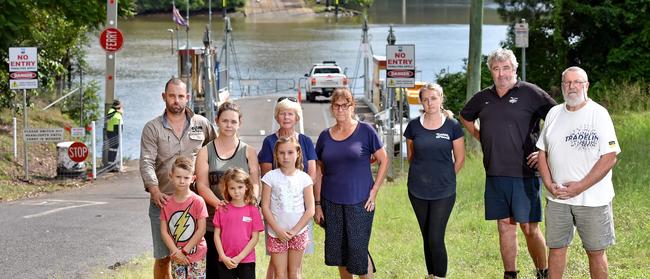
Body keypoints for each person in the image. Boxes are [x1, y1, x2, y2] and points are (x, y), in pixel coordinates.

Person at [459, 48, 556, 279]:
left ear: (514, 69)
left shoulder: (531, 93)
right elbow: (465, 116)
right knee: (504, 225)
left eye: (505, 68)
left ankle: (543, 272)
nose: (501, 73)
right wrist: (482, 136)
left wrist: (546, 150)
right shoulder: (483, 97)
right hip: (495, 172)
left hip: (525, 172)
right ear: (491, 71)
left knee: (529, 228)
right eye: (496, 69)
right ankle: (510, 274)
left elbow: (557, 118)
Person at [536, 67, 620, 279]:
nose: (572, 87)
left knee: (595, 251)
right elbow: (542, 152)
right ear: (562, 86)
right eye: (567, 82)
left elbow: (610, 157)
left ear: (586, 86)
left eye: (577, 82)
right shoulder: (554, 113)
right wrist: (548, 183)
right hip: (558, 198)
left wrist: (579, 187)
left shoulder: (598, 114)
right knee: (556, 249)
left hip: (592, 200)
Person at [140, 78, 217, 279]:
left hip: (194, 204)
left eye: (181, 96)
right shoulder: (152, 128)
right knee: (164, 257)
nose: (176, 100)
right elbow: (147, 161)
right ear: (164, 97)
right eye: (172, 96)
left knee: (198, 253)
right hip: (163, 202)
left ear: (187, 98)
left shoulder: (201, 124)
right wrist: (154, 190)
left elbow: (214, 153)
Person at [313, 88, 389, 278]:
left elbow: (384, 160)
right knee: (340, 253)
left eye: (344, 105)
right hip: (331, 202)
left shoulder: (366, 131)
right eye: (336, 106)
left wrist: (374, 191)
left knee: (358, 249)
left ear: (352, 107)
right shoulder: (324, 136)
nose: (340, 110)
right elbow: (319, 171)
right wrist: (318, 205)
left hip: (360, 201)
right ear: (332, 108)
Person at [403, 83, 465, 279]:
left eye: (434, 98)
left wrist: (445, 177)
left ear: (441, 99)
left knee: (435, 237)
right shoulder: (413, 126)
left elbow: (460, 158)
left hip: (444, 191)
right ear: (421, 102)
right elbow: (411, 156)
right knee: (426, 237)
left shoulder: (452, 126)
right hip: (417, 189)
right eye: (426, 99)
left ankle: (439, 276)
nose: (430, 102)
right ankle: (431, 274)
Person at [195, 100, 261, 278]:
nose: (229, 125)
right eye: (225, 121)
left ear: (240, 123)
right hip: (213, 223)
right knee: (216, 273)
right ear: (217, 120)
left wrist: (251, 202)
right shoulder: (205, 152)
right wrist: (220, 205)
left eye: (233, 121)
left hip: (241, 227)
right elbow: (202, 185)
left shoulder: (248, 152)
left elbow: (255, 182)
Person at [258, 96, 317, 279]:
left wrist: (300, 189)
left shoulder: (305, 141)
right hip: (277, 208)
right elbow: (266, 175)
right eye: (282, 113)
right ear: (277, 116)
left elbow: (312, 174)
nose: (286, 117)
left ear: (297, 117)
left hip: (298, 207)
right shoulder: (269, 142)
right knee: (277, 265)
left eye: (290, 113)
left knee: (295, 268)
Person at [160, 157, 209, 279]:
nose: (182, 181)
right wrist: (176, 252)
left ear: (193, 179)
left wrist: (185, 251)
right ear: (171, 176)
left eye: (186, 178)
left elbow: (201, 230)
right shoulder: (167, 203)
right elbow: (164, 231)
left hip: (197, 253)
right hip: (176, 255)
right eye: (178, 177)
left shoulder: (198, 201)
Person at [213, 168, 264, 279]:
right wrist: (222, 256)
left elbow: (255, 238)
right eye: (232, 188)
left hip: (246, 260)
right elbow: (216, 235)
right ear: (227, 189)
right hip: (225, 260)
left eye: (240, 187)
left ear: (246, 187)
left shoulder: (253, 210)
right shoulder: (222, 209)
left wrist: (239, 257)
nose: (236, 191)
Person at [105, 99, 123, 170]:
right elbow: (108, 117)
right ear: (117, 105)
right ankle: (110, 165)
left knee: (115, 148)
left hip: (116, 131)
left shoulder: (117, 110)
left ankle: (113, 164)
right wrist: (116, 111)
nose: (121, 106)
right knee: (113, 148)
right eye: (120, 105)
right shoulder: (112, 110)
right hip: (112, 131)